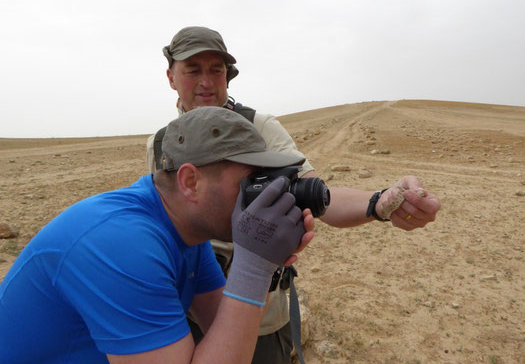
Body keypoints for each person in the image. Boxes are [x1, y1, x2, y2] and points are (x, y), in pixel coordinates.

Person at [147, 26, 442, 363]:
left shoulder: (257, 129)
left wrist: (379, 203)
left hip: (259, 313)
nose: (206, 81)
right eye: (193, 69)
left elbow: (318, 196)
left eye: (217, 70)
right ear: (171, 77)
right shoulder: (160, 144)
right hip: (185, 309)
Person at [0, 107, 315, 364]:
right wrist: (254, 267)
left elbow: (226, 330)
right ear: (190, 181)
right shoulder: (123, 245)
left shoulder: (187, 232)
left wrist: (265, 263)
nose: (261, 196)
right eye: (250, 182)